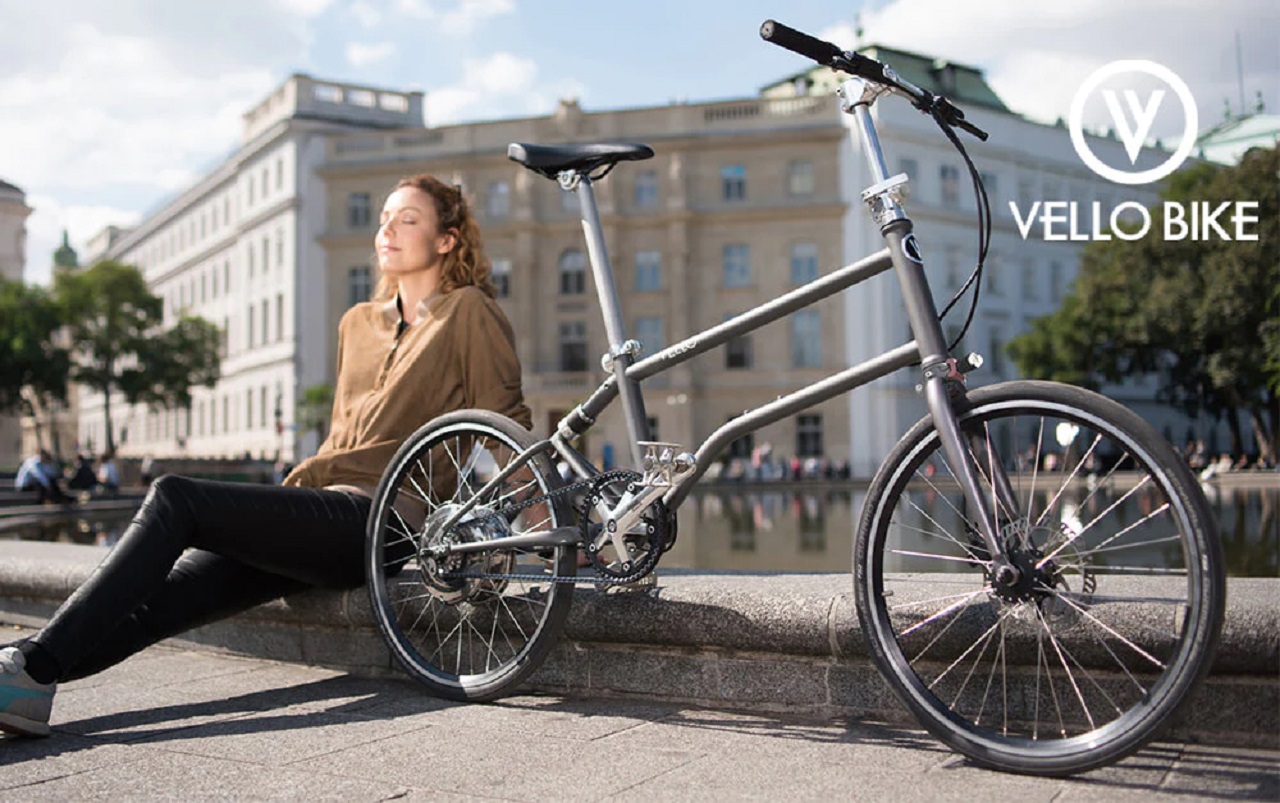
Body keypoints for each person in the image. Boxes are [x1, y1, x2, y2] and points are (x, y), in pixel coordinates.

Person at [0, 174, 530, 738]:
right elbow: (338, 440)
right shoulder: (358, 323)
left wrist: (550, 533)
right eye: (383, 218)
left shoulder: (469, 311)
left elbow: (506, 425)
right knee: (168, 601)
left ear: (447, 239)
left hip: (384, 523)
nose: (387, 230)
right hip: (316, 508)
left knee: (176, 498)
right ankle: (31, 673)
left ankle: (26, 670)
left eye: (408, 220)